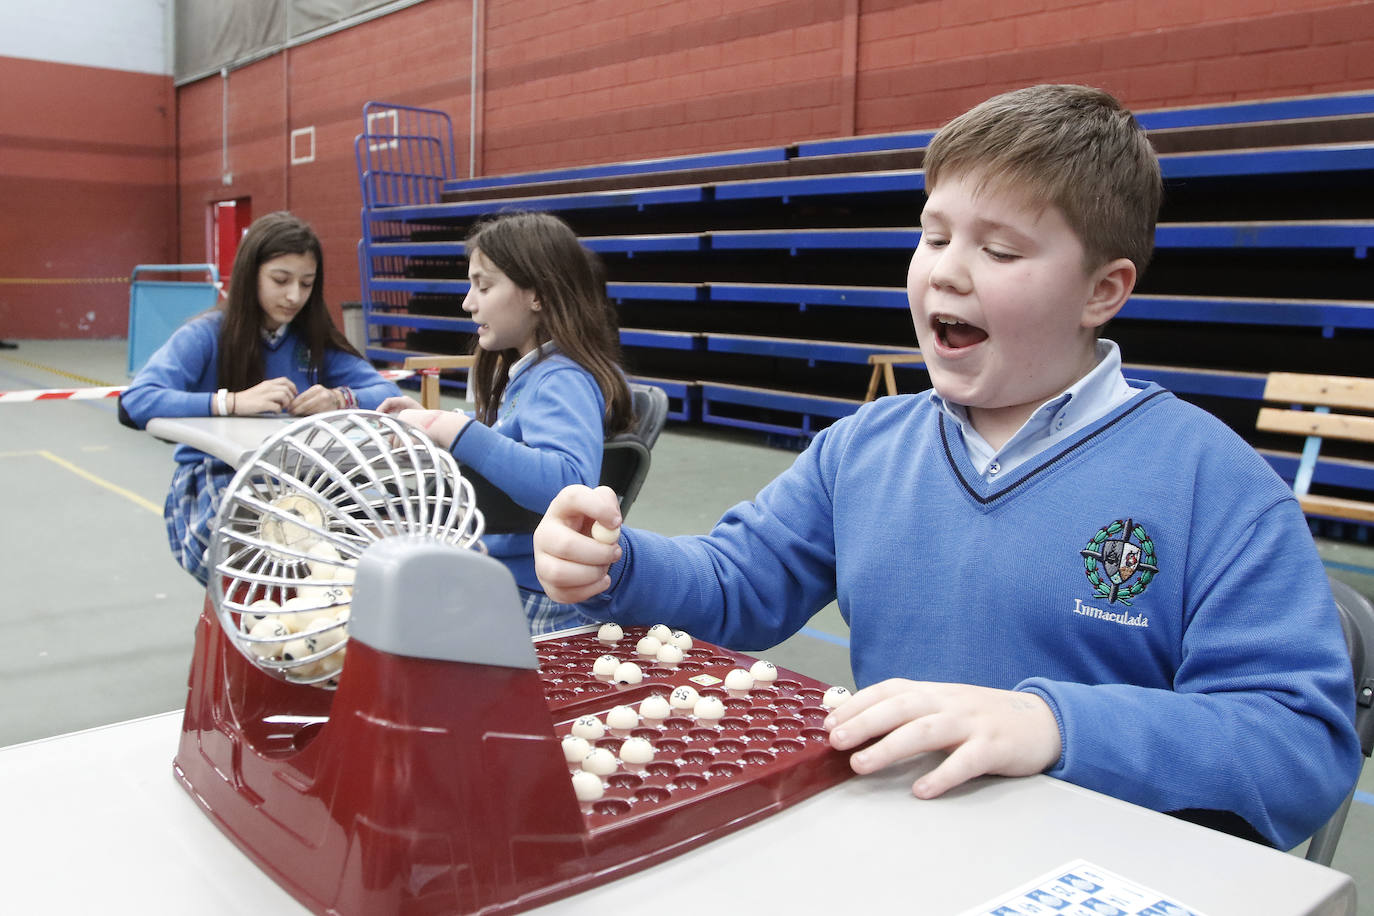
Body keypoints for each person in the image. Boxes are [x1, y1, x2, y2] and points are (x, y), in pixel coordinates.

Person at [531, 84, 1362, 850]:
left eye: (1000, 251)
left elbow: (1295, 742)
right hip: (901, 847)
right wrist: (618, 560)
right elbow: (734, 585)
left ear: (1101, 292)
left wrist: (1055, 725)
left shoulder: (1210, 482)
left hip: (1096, 873)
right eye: (933, 235)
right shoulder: (863, 450)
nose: (946, 270)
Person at [381, 210, 632, 634]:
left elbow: (570, 484)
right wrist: (437, 419)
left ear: (537, 295)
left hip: (526, 596)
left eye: (484, 285)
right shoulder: (536, 374)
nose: (468, 301)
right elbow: (511, 437)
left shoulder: (562, 378)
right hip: (506, 577)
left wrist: (454, 431)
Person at [122, 211, 400, 584]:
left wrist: (339, 398)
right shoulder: (206, 335)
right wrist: (231, 403)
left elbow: (388, 393)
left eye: (306, 284)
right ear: (250, 274)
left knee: (376, 531)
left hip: (297, 477)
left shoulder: (311, 339)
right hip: (216, 478)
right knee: (267, 562)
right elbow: (135, 402)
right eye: (281, 280)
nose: (294, 296)